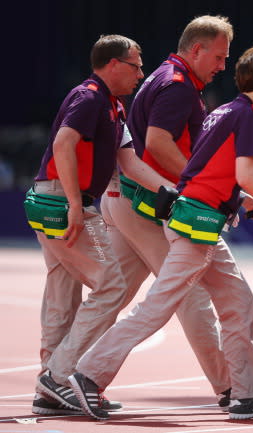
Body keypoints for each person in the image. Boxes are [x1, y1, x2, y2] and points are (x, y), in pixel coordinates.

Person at [69, 42, 253, 421]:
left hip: (195, 218)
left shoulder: (221, 113)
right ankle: (88, 374)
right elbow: (244, 174)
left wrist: (240, 202)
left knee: (237, 302)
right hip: (196, 224)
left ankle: (248, 395)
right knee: (158, 307)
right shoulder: (248, 115)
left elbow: (200, 172)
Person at [27, 35, 176, 415]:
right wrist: (76, 205)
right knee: (111, 285)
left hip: (54, 197)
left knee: (63, 292)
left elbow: (130, 164)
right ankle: (59, 377)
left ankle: (50, 386)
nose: (142, 74)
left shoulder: (114, 107)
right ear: (112, 64)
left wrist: (175, 191)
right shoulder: (90, 97)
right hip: (63, 199)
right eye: (136, 66)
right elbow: (63, 143)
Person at [99, 15, 235, 411]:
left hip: (128, 200)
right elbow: (159, 144)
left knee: (109, 297)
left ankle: (59, 375)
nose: (222, 66)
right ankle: (230, 387)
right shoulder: (177, 87)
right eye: (219, 57)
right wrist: (199, 185)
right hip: (146, 206)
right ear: (196, 49)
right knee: (189, 297)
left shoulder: (167, 77)